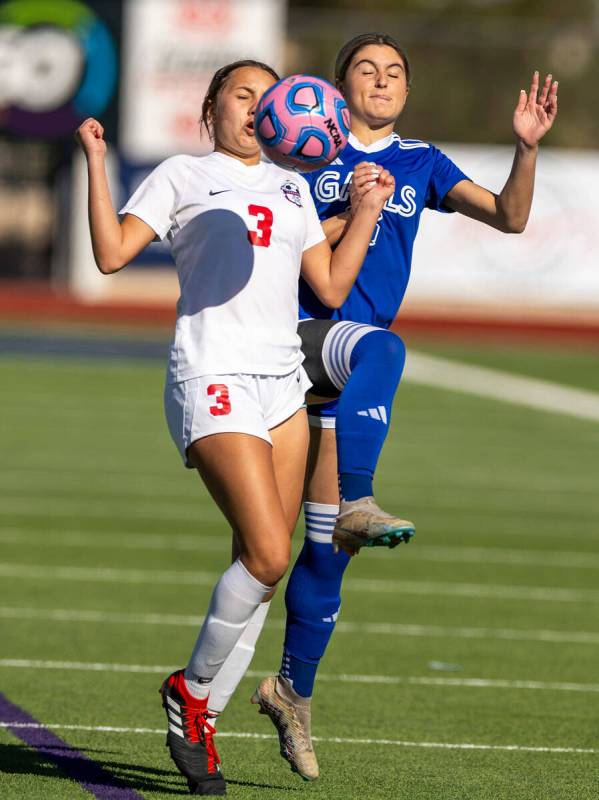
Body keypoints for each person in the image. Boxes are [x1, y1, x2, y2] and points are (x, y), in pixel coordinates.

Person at [75, 58, 395, 796]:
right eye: (241, 95)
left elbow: (331, 286)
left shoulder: (290, 187)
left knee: (259, 566)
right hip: (211, 375)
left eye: (267, 95)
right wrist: (97, 162)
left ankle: (201, 717)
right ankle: (190, 694)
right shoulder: (182, 175)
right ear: (211, 107)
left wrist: (366, 208)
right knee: (265, 555)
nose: (256, 107)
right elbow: (112, 253)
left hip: (282, 385)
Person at [249, 34, 558, 780]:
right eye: (366, 69)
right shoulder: (302, 151)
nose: (381, 80)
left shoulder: (420, 161)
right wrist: (347, 210)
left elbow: (510, 219)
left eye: (393, 72)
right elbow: (276, 246)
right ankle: (360, 495)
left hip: (342, 370)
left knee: (324, 554)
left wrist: (525, 150)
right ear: (337, 87)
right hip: (292, 341)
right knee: (382, 351)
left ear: (406, 93)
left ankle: (290, 691)